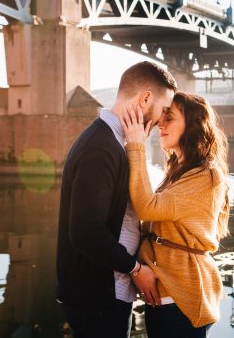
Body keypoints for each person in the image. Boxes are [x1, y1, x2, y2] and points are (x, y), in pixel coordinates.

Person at [56, 61, 177, 338]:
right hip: (97, 297)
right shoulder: (101, 147)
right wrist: (135, 269)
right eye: (163, 110)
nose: (161, 120)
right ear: (145, 98)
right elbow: (85, 231)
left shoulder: (112, 142)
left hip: (104, 294)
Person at [122, 92, 231, 337]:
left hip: (181, 295)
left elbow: (146, 207)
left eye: (169, 118)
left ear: (192, 126)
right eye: (162, 117)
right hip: (164, 293)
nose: (161, 123)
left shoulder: (205, 175)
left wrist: (136, 146)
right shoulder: (179, 169)